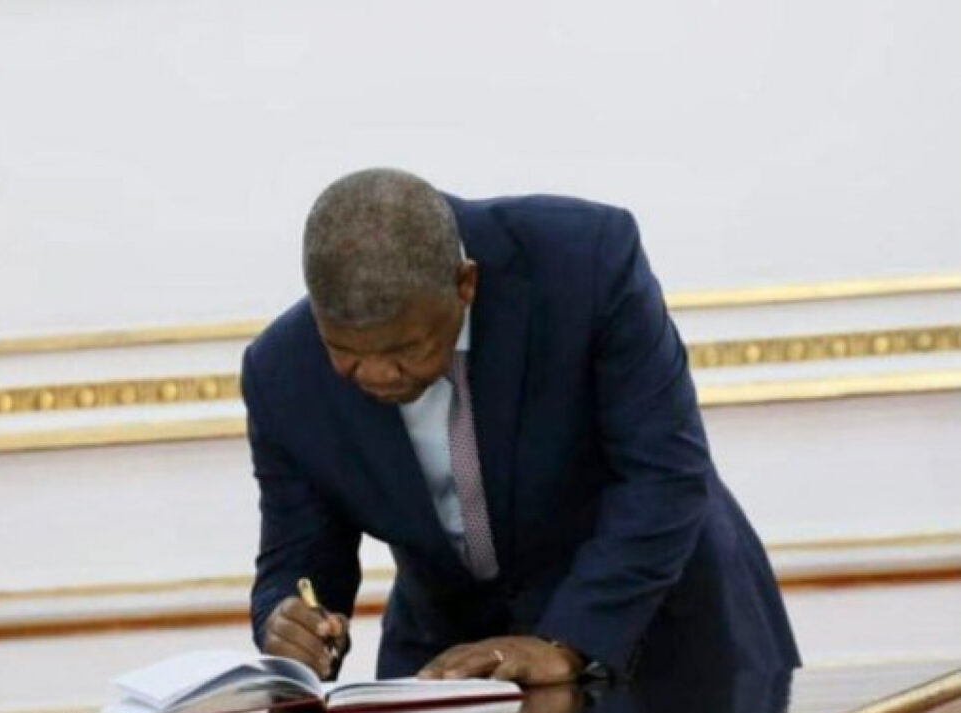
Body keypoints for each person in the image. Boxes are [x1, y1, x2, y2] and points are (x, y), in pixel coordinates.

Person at [242, 168, 800, 685]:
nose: (377, 374)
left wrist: (566, 641)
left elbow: (664, 474)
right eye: (345, 352)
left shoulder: (585, 262)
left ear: (465, 284)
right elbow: (300, 557)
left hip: (657, 631)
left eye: (406, 349)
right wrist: (292, 625)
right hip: (452, 661)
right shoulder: (281, 373)